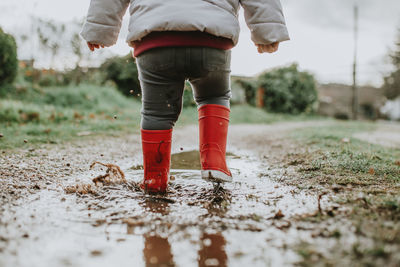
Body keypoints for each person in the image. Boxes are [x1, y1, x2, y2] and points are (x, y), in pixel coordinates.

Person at [81, 0, 289, 193]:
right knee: (214, 95)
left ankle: (154, 178)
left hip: (154, 38)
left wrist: (99, 30)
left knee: (156, 112)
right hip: (212, 38)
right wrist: (268, 31)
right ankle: (214, 162)